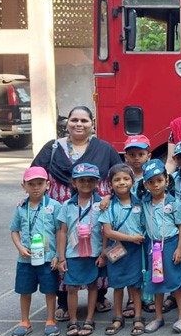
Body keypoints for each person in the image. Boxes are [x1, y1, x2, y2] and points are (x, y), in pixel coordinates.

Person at [31, 105, 121, 319]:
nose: (79, 124)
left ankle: (99, 296)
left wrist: (109, 196)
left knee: (96, 250)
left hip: (95, 209)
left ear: (92, 124)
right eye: (74, 120)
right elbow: (36, 175)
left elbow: (119, 174)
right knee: (63, 252)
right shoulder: (52, 148)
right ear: (67, 123)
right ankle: (63, 301)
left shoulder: (104, 148)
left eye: (84, 120)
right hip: (63, 211)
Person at [9, 166, 61, 336]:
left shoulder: (54, 206)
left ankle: (50, 320)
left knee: (50, 290)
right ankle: (24, 322)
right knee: (25, 290)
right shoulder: (22, 207)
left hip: (47, 258)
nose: (36, 187)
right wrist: (20, 248)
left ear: (48, 184)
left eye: (40, 183)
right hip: (26, 258)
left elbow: (61, 231)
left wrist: (57, 255)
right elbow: (14, 230)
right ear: (24, 186)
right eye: (31, 184)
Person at [56, 163, 104, 336]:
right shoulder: (67, 205)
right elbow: (62, 231)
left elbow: (105, 229)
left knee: (93, 285)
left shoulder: (101, 204)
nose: (86, 183)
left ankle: (90, 319)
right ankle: (73, 320)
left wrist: (103, 253)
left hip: (93, 253)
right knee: (71, 287)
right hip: (73, 253)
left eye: (90, 180)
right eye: (81, 180)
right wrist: (61, 257)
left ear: (97, 182)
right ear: (74, 183)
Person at [99, 164, 147, 336]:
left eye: (126, 179)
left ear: (133, 182)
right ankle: (118, 317)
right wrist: (104, 252)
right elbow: (108, 231)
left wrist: (138, 239)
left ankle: (138, 317)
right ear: (110, 185)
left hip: (135, 251)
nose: (122, 182)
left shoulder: (139, 203)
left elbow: (144, 225)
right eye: (117, 179)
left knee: (135, 285)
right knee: (117, 286)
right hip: (116, 250)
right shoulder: (107, 206)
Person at [141, 160, 181, 334]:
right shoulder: (145, 202)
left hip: (171, 244)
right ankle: (158, 317)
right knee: (156, 283)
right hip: (154, 247)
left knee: (175, 282)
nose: (155, 185)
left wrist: (180, 248)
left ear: (166, 181)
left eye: (159, 180)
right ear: (145, 184)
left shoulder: (173, 202)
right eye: (151, 182)